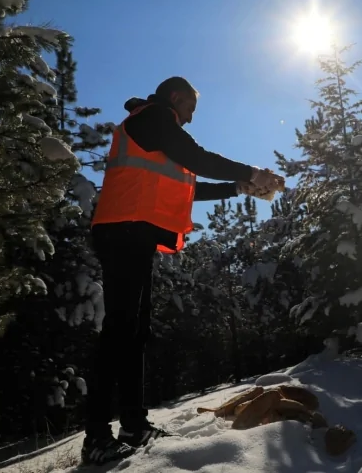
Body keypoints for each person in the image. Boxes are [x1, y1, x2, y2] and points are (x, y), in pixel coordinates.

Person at [81, 76, 284, 465]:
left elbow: (186, 186)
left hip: (132, 231)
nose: (190, 118)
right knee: (120, 331)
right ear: (175, 97)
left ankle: (133, 425)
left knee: (135, 332)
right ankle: (96, 437)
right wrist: (253, 172)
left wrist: (239, 188)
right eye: (190, 108)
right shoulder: (154, 117)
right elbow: (197, 158)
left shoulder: (157, 130)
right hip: (123, 229)